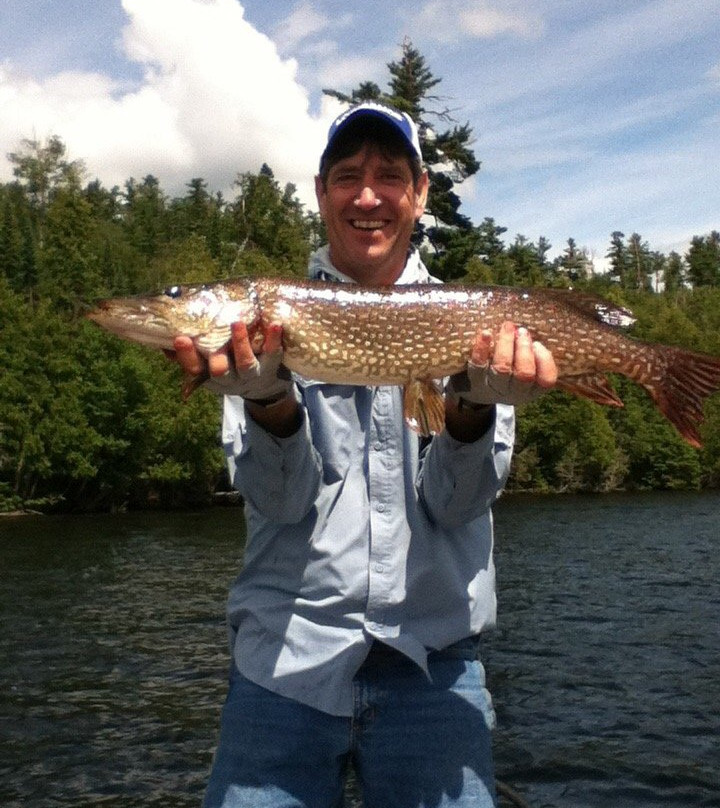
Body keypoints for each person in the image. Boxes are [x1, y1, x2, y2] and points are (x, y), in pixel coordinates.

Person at [173, 102, 557, 808]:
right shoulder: (262, 327)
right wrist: (269, 400)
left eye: (389, 176)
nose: (368, 196)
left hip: (433, 670)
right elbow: (281, 503)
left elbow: (457, 506)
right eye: (348, 176)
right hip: (284, 667)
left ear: (420, 193)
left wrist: (472, 409)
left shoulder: (474, 323)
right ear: (323, 193)